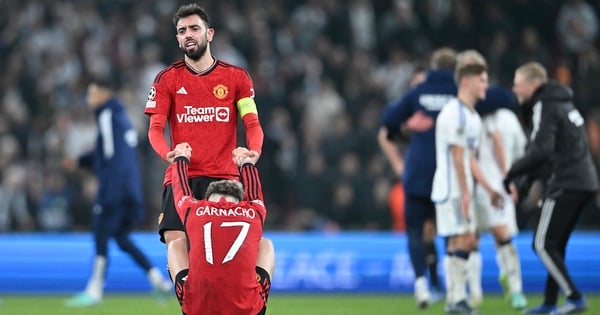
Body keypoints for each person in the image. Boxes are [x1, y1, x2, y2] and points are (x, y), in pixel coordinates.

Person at [144, 3, 264, 283]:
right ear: (176, 38)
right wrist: (169, 154)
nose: (188, 34)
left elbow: (253, 124)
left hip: (224, 178)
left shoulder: (236, 78)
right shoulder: (167, 79)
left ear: (209, 34)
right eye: (182, 30)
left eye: (194, 28)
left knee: (234, 253)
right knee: (176, 242)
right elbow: (154, 130)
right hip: (183, 175)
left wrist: (253, 152)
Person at [64, 77, 172, 307]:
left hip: (115, 189)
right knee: (121, 239)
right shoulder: (123, 118)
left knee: (100, 231)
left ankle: (94, 289)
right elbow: (114, 155)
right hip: (130, 189)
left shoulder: (107, 115)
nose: (89, 99)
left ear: (105, 93)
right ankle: (158, 280)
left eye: (92, 93)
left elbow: (113, 158)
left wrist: (107, 193)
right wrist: (80, 161)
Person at [505, 62, 598, 315]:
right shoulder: (563, 103)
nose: (514, 88)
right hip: (584, 181)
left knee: (542, 244)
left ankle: (575, 297)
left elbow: (541, 151)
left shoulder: (544, 105)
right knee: (555, 245)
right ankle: (549, 303)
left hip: (566, 182)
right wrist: (527, 184)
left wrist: (512, 171)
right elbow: (552, 154)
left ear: (533, 85)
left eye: (517, 83)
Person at [378, 47, 457, 308]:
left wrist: (403, 132)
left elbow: (387, 125)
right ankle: (453, 289)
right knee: (446, 232)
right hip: (447, 173)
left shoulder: (415, 97)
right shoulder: (457, 93)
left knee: (418, 230)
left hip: (420, 173)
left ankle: (423, 284)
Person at [456, 50, 528, 310]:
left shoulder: (474, 115)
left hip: (484, 185)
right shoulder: (495, 115)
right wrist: (512, 179)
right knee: (499, 237)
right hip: (489, 184)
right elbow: (520, 152)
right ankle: (511, 289)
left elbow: (484, 149)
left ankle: (478, 292)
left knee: (479, 238)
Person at [169, 143, 275, 315]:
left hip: (198, 308)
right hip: (247, 309)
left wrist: (181, 159)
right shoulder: (253, 212)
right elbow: (255, 193)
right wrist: (245, 162)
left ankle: (188, 293)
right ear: (239, 201)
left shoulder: (194, 210)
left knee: (177, 244)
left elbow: (181, 190)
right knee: (266, 244)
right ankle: (258, 295)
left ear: (209, 199)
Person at [431, 62, 502, 314]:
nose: (486, 85)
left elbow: (470, 159)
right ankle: (457, 300)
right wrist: (463, 193)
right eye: (481, 80)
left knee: (460, 241)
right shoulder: (454, 113)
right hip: (452, 188)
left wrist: (489, 188)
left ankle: (455, 299)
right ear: (466, 81)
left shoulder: (472, 116)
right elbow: (457, 154)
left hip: (461, 188)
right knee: (466, 239)